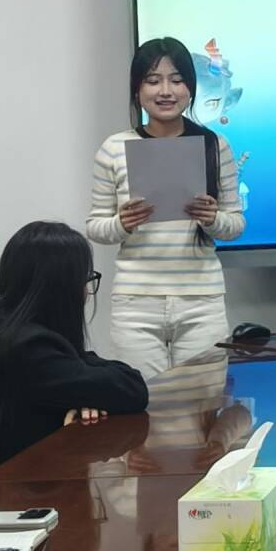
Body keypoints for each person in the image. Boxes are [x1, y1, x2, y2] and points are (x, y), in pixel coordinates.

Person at [0, 222, 148, 494]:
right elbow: (133, 390)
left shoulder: (3, 322)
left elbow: (88, 370)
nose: (86, 292)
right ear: (61, 287)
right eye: (84, 280)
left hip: (1, 480)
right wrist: (87, 392)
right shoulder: (23, 347)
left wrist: (83, 394)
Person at [87, 37, 246, 378]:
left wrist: (212, 219)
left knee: (202, 400)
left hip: (201, 300)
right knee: (143, 399)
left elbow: (235, 224)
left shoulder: (214, 145)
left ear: (190, 88)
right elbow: (96, 226)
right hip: (135, 301)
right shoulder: (115, 147)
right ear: (137, 89)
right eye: (153, 80)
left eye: (176, 80)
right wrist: (121, 223)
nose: (165, 91)